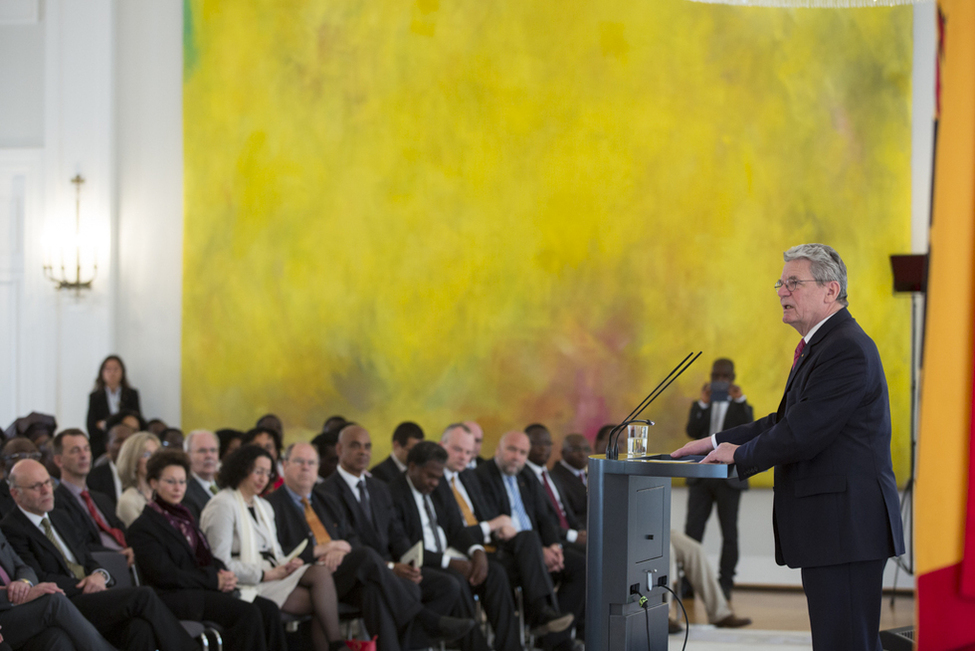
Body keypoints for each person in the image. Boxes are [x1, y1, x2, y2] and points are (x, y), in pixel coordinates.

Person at [672, 243, 905, 651]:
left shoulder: (845, 348)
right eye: (781, 282)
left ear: (830, 290)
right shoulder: (824, 345)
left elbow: (804, 432)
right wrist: (713, 441)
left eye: (794, 283)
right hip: (835, 528)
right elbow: (784, 421)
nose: (781, 291)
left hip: (845, 526)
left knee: (846, 643)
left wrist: (740, 454)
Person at [267, 442, 472, 651]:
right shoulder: (270, 505)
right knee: (367, 557)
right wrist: (319, 551)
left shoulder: (326, 500)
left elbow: (349, 538)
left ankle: (411, 630)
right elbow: (277, 552)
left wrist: (339, 548)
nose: (306, 467)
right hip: (305, 578)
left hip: (339, 572)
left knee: (373, 590)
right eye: (299, 462)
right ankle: (422, 617)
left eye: (311, 462)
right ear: (284, 465)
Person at [1, 460, 197, 651]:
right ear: (15, 494)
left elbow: (87, 558)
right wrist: (86, 584)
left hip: (93, 595)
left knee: (139, 628)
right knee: (143, 595)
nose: (46, 490)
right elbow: (39, 576)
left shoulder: (61, 516)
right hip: (69, 598)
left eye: (48, 483)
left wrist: (100, 575)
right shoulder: (12, 527)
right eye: (36, 486)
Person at [322, 425, 477, 647]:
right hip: (353, 575)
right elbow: (348, 541)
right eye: (355, 446)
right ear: (339, 449)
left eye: (367, 446)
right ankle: (425, 618)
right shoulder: (327, 492)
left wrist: (409, 563)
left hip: (388, 571)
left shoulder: (379, 487)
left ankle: (408, 641)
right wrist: (391, 567)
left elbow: (396, 534)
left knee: (448, 585)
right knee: (373, 587)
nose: (363, 452)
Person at [127, 449, 286, 651]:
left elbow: (205, 556)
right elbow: (165, 575)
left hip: (199, 589)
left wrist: (223, 573)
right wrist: (213, 580)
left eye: (182, 482)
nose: (178, 488)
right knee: (248, 613)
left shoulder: (184, 517)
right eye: (170, 481)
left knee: (269, 609)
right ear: (153, 483)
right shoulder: (143, 527)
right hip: (175, 597)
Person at [438, 424, 571, 647]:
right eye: (457, 450)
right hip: (463, 551)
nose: (464, 457)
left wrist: (551, 545)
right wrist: (494, 525)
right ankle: (536, 626)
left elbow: (542, 516)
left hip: (491, 545)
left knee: (530, 540)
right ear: (442, 446)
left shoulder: (467, 478)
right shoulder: (437, 479)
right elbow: (454, 532)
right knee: (501, 571)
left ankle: (543, 619)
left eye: (469, 452)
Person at [199, 445, 344, 651]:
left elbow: (276, 552)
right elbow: (220, 563)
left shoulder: (263, 506)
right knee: (323, 604)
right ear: (242, 469)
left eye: (268, 473)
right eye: (258, 471)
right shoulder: (223, 504)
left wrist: (289, 564)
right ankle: (337, 645)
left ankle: (337, 645)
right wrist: (265, 574)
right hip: (247, 582)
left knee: (320, 574)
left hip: (272, 573)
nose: (263, 479)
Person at [391, 441, 516, 651]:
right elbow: (403, 548)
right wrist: (450, 562)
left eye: (438, 477)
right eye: (429, 476)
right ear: (412, 467)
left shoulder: (440, 486)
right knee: (455, 578)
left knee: (494, 572)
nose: (433, 483)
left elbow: (457, 529)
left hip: (449, 554)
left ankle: (512, 647)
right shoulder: (393, 493)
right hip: (421, 562)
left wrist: (476, 551)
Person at [476, 431, 585, 648]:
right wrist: (538, 548)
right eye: (511, 450)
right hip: (506, 550)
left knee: (582, 566)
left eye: (522, 452)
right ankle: (541, 615)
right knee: (528, 538)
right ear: (498, 449)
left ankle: (551, 634)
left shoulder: (526, 475)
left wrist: (553, 546)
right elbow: (490, 521)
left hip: (535, 546)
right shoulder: (483, 475)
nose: (516, 457)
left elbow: (545, 517)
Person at [684, 357, 753, 600]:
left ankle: (725, 584)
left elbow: (749, 431)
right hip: (701, 478)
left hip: (729, 478)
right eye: (717, 376)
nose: (721, 381)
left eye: (726, 377)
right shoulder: (699, 405)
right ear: (711, 377)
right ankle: (687, 584)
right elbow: (692, 431)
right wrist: (703, 404)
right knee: (692, 533)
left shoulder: (742, 406)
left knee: (729, 534)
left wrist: (740, 399)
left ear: (733, 378)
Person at [0, 525, 116, 651]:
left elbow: (23, 567)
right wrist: (19, 594)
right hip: (4, 615)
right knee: (54, 601)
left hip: (20, 609)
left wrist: (25, 582)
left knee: (56, 637)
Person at [50, 430, 134, 566]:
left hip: (128, 559)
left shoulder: (101, 498)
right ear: (59, 460)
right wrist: (116, 555)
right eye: (75, 451)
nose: (84, 455)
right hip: (101, 565)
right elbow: (78, 543)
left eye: (86, 449)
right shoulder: (56, 501)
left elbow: (122, 531)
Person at [669, 530, 751, 629]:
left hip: (661, 528)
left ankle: (719, 614)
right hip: (645, 529)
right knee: (667, 551)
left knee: (695, 550)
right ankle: (662, 616)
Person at [524, 425, 585, 551]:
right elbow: (540, 519)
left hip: (571, 535)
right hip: (553, 541)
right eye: (537, 443)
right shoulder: (523, 478)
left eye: (547, 443)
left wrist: (580, 530)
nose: (543, 448)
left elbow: (566, 511)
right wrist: (573, 535)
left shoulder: (552, 475)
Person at [86, 356, 142, 461]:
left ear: (122, 372)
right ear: (102, 373)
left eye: (116, 369)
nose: (112, 373)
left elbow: (136, 420)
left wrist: (105, 424)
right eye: (108, 369)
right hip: (102, 443)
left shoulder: (131, 394)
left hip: (128, 441)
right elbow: (92, 425)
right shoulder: (95, 396)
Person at [115, 433, 160, 527]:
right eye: (147, 454)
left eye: (156, 454)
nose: (154, 459)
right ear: (133, 461)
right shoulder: (128, 501)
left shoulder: (162, 494)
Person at [86, 422, 132, 508]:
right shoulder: (94, 477)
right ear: (107, 446)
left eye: (129, 440)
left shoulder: (141, 474)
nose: (125, 445)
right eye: (119, 440)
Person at [182, 430, 221, 521]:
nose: (209, 455)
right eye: (202, 451)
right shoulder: (184, 491)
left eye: (213, 450)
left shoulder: (224, 486)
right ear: (187, 455)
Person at [549, 434, 589, 521]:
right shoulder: (554, 477)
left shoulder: (590, 476)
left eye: (586, 449)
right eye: (576, 449)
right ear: (563, 452)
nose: (582, 454)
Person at [243, 427, 283, 492]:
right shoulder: (240, 484)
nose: (263, 451)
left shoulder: (283, 485)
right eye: (257, 447)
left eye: (268, 447)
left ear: (276, 452)